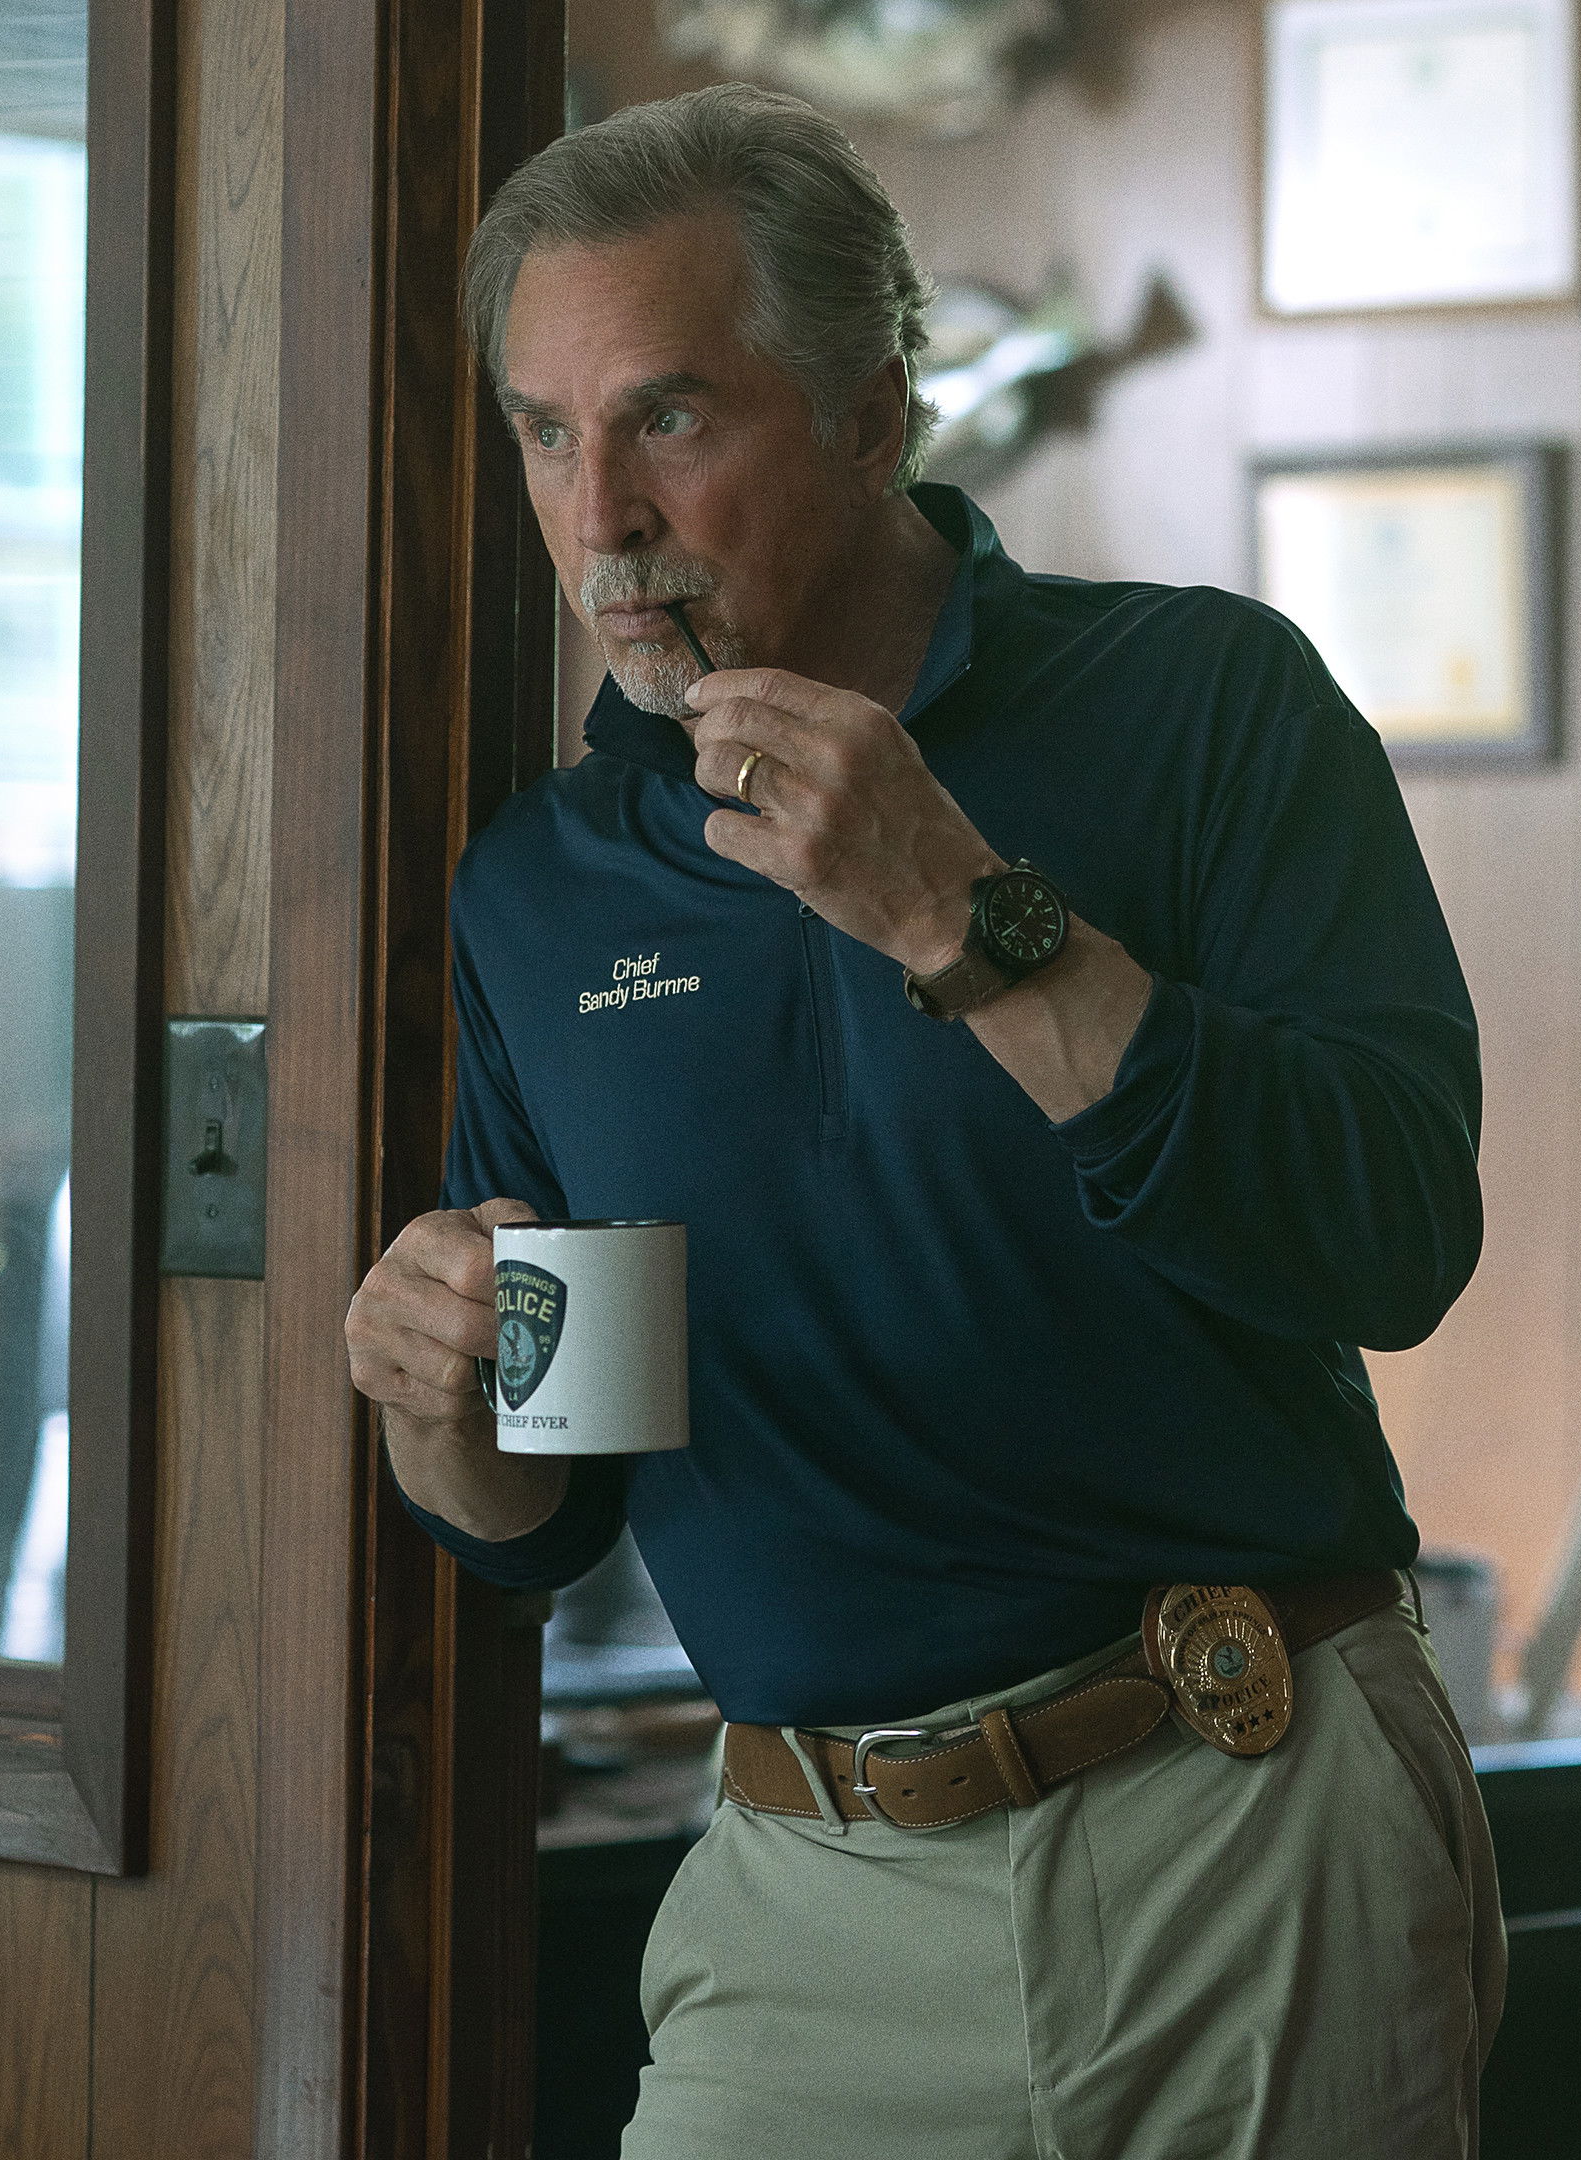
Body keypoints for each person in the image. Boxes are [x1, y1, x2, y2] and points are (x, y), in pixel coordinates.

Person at [342, 81, 1500, 2160]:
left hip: (1246, 1825)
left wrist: (966, 918)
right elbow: (547, 1504)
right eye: (545, 431)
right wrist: (438, 1404)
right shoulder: (541, 889)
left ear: (871, 416)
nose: (599, 512)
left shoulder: (1209, 705)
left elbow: (1397, 1236)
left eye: (668, 418)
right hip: (805, 1904)